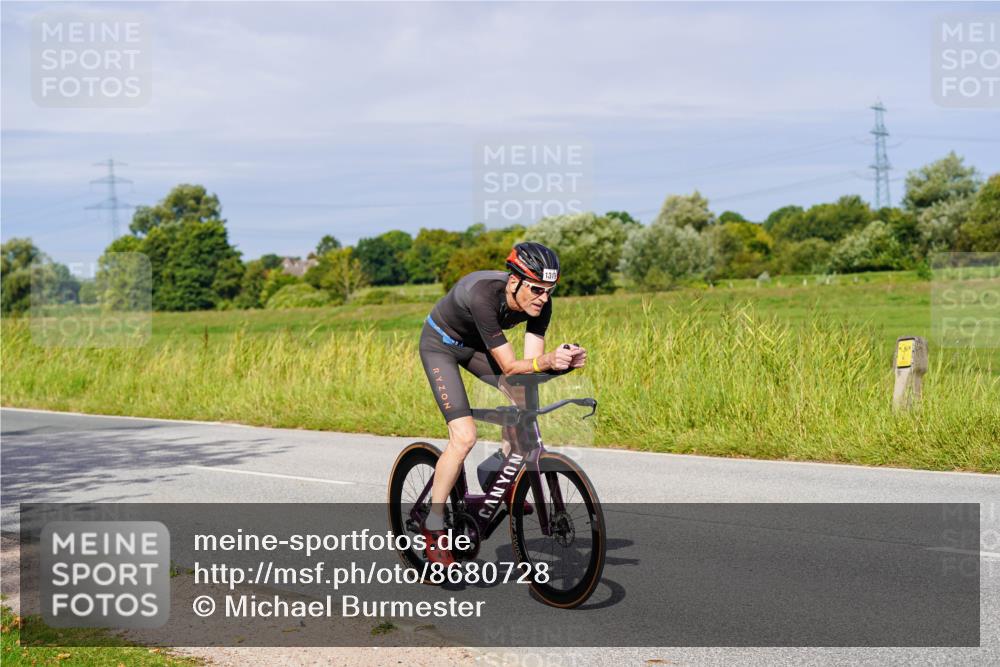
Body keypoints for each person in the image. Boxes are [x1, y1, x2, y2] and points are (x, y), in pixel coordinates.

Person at [418, 242, 587, 565]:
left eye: (549, 291)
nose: (543, 298)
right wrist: (547, 362)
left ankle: (497, 474)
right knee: (465, 436)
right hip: (441, 345)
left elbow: (531, 367)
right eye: (536, 289)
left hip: (477, 346)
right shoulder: (483, 296)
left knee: (523, 396)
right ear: (514, 282)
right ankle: (434, 524)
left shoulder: (540, 304)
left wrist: (561, 364)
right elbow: (510, 366)